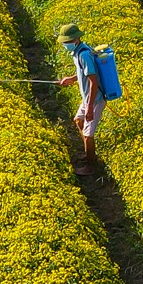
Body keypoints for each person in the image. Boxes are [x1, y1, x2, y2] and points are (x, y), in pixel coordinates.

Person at [54, 23, 103, 175]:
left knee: (88, 134)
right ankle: (89, 154)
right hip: (87, 98)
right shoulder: (78, 52)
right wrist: (72, 79)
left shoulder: (84, 54)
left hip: (94, 99)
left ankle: (91, 166)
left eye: (67, 42)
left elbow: (93, 80)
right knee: (78, 121)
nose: (65, 45)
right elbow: (85, 73)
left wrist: (89, 107)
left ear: (76, 39)